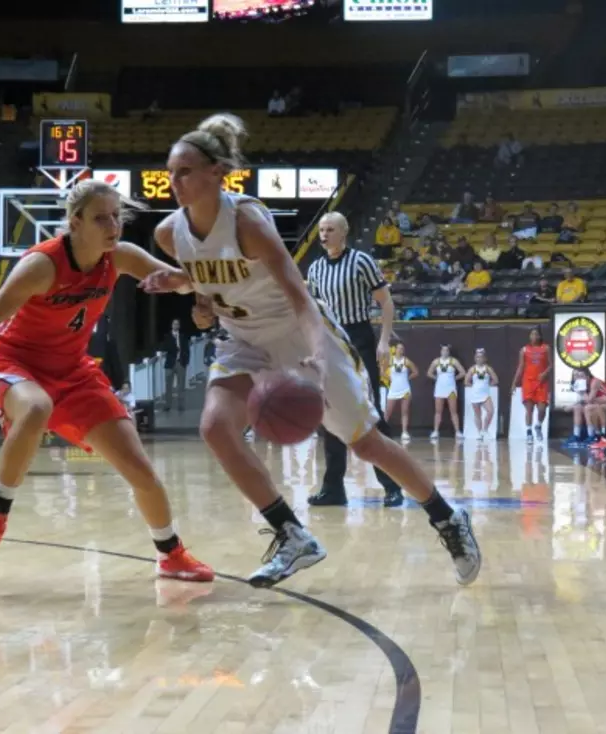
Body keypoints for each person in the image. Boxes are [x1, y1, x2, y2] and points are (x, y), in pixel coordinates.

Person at [144, 113, 480, 588]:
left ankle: (447, 518)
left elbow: (299, 295)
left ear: (218, 173)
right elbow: (210, 285)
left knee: (366, 443)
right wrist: (191, 294)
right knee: (216, 428)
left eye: (185, 172)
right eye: (171, 172)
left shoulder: (247, 223)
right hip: (242, 339)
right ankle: (291, 533)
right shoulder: (167, 234)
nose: (174, 181)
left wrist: (318, 357)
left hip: (297, 333)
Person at [0, 179, 213, 582]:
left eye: (116, 217)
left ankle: (171, 554)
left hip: (72, 370)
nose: (113, 226)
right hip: (10, 363)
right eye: (101, 218)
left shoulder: (119, 256)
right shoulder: (42, 266)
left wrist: (200, 300)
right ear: (75, 222)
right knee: (37, 407)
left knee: (141, 471)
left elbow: (182, 279)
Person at [305, 211, 403, 507]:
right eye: (321, 229)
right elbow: (312, 313)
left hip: (359, 339)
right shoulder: (315, 269)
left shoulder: (361, 261)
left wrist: (384, 341)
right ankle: (333, 487)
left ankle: (392, 484)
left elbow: (386, 302)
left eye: (330, 229)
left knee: (370, 412)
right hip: (328, 341)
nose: (324, 234)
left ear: (344, 233)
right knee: (329, 413)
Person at [510, 327, 551, 443]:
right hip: (528, 381)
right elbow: (520, 367)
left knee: (542, 409)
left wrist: (545, 373)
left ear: (540, 336)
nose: (534, 337)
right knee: (529, 409)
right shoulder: (524, 350)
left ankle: (538, 425)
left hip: (541, 382)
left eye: (536, 334)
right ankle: (529, 433)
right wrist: (514, 383)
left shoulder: (546, 348)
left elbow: (551, 365)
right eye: (532, 334)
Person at [427, 345, 466, 440]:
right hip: (439, 389)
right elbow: (429, 373)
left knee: (453, 411)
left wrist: (454, 378)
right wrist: (437, 378)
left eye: (446, 350)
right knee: (438, 411)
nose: (445, 352)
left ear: (449, 352)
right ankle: (436, 431)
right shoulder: (436, 361)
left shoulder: (453, 361)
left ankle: (457, 432)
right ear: (440, 351)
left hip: (451, 389)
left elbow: (463, 372)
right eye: (443, 350)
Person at [384, 342, 417, 441]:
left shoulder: (406, 361)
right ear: (395, 349)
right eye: (398, 348)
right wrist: (390, 378)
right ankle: (382, 430)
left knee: (405, 411)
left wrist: (408, 378)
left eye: (402, 348)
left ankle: (404, 432)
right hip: (393, 389)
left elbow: (416, 372)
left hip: (405, 389)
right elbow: (382, 371)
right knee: (388, 412)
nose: (400, 350)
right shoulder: (390, 360)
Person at [464, 348, 497, 440]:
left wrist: (489, 385)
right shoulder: (472, 369)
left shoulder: (488, 369)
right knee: (478, 414)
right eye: (477, 357)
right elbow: (466, 381)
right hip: (475, 394)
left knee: (490, 411)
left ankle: (485, 429)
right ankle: (480, 433)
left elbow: (495, 380)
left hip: (485, 395)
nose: (479, 359)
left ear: (485, 358)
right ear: (475, 358)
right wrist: (474, 386)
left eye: (481, 357)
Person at [162, 318, 189, 412]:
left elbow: (186, 349)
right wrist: (174, 343)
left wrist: (185, 362)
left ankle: (181, 405)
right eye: (174, 324)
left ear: (179, 326)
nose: (176, 325)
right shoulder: (167, 336)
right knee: (168, 385)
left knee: (181, 385)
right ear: (171, 325)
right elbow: (166, 347)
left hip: (180, 363)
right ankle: (167, 405)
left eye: (177, 324)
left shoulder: (182, 336)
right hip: (170, 363)